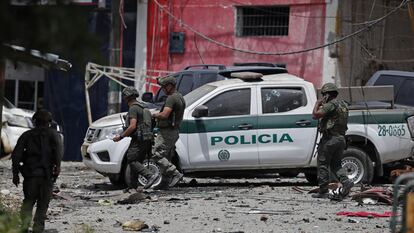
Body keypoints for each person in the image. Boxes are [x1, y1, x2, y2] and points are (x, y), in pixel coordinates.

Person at [11, 109, 63, 233]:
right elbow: (58, 152)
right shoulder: (54, 135)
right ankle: (38, 230)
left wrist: (15, 174)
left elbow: (16, 155)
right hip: (46, 177)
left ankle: (24, 228)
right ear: (49, 122)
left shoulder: (27, 135)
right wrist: (57, 167)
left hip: (30, 177)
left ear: (34, 121)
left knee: (28, 202)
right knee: (42, 205)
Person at [311, 83, 354, 199]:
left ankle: (323, 191)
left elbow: (315, 115)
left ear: (327, 95)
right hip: (340, 138)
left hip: (330, 139)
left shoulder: (331, 105)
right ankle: (346, 182)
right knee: (336, 165)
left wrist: (317, 104)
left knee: (323, 164)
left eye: (324, 95)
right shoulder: (343, 104)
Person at [113, 86, 159, 190]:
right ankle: (134, 186)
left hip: (139, 139)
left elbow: (133, 126)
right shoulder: (143, 106)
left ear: (126, 97)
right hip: (146, 138)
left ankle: (149, 175)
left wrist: (120, 136)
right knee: (136, 161)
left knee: (132, 159)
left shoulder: (133, 108)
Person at [151, 76, 185, 188]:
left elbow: (164, 115)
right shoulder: (180, 97)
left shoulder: (171, 98)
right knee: (167, 157)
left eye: (164, 86)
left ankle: (175, 174)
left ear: (170, 86)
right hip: (173, 132)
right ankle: (165, 182)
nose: (163, 89)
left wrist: (152, 114)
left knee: (157, 154)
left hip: (167, 132)